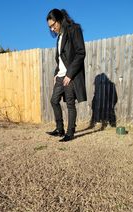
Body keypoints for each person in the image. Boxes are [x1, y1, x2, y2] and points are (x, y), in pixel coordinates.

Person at [46, 9, 87, 142]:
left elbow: (81, 53)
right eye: (50, 27)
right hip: (60, 75)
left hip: (70, 75)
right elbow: (60, 58)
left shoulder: (74, 29)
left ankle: (70, 132)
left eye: (53, 25)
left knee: (70, 103)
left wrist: (69, 74)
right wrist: (56, 74)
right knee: (54, 100)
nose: (52, 29)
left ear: (60, 20)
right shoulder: (59, 37)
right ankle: (59, 129)